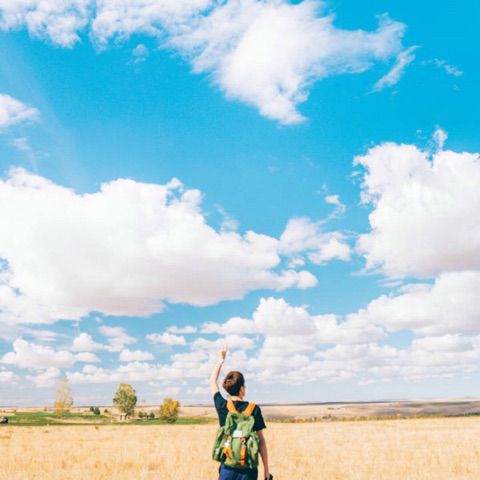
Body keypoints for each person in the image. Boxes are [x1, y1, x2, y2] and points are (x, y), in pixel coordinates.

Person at [210, 344, 271, 480]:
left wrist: (221, 359)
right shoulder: (254, 409)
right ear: (242, 388)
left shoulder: (222, 405)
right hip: (248, 471)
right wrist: (266, 470)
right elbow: (261, 442)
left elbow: (212, 381)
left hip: (227, 468)